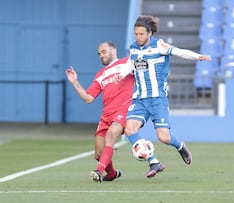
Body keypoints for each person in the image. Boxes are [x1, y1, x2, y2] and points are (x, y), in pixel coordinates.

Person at [115, 15, 211, 178]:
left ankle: (180, 146)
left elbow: (179, 52)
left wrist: (197, 56)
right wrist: (121, 74)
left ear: (150, 33)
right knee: (130, 130)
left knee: (163, 137)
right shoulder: (133, 48)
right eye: (136, 34)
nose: (138, 37)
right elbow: (130, 64)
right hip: (140, 99)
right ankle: (154, 162)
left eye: (141, 34)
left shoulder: (159, 45)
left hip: (157, 99)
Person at [65, 41, 136, 183]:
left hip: (123, 110)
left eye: (103, 52)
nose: (101, 55)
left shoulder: (126, 63)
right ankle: (112, 174)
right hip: (106, 116)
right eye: (99, 53)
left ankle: (99, 171)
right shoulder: (100, 74)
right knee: (98, 154)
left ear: (113, 51)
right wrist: (74, 82)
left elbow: (144, 66)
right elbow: (88, 98)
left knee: (111, 135)